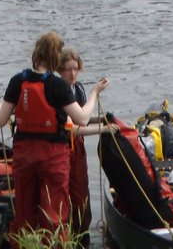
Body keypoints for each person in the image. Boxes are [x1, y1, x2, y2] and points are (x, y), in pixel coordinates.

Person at [0, 31, 109, 243]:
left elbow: (0, 121)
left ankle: (25, 246)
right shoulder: (58, 85)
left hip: (24, 154)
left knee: (24, 212)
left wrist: (1, 106)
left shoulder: (17, 81)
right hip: (52, 156)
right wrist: (94, 93)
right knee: (54, 214)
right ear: (55, 58)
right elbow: (82, 119)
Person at [60, 47, 110, 245]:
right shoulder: (59, 91)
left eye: (75, 69)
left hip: (77, 149)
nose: (72, 74)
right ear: (59, 70)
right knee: (64, 195)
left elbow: (83, 118)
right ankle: (65, 235)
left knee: (82, 195)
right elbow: (72, 129)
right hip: (64, 149)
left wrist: (102, 119)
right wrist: (103, 129)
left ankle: (82, 236)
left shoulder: (78, 89)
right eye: (67, 70)